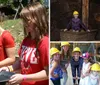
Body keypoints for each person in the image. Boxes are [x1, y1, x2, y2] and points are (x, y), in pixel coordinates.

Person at [0, 2, 49, 85]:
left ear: (38, 19)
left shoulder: (44, 42)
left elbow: (48, 72)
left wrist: (24, 77)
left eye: (27, 20)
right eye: (23, 20)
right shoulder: (26, 40)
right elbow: (21, 62)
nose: (24, 23)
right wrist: (9, 68)